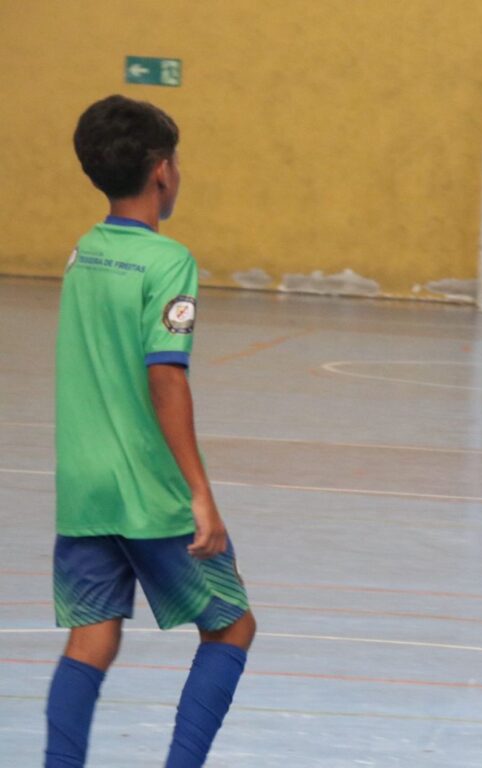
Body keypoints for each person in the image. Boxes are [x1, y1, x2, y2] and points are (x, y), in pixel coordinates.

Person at [46, 95, 256, 767]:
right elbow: (165, 378)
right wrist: (200, 493)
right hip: (148, 490)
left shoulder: (84, 253)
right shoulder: (168, 262)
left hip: (84, 485)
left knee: (92, 641)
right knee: (230, 628)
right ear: (162, 170)